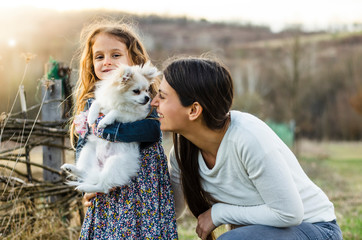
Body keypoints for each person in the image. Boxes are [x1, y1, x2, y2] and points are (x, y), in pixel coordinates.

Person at [149, 56, 343, 240]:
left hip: (317, 229)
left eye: (163, 97)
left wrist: (219, 213)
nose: (154, 102)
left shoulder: (247, 138)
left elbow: (289, 214)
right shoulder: (182, 153)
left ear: (193, 110)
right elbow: (170, 210)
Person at [70, 20, 178, 239]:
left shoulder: (145, 97)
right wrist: (87, 181)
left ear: (133, 61)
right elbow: (84, 144)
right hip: (107, 190)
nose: (107, 62)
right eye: (99, 57)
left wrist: (109, 131)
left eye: (115, 55)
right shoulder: (92, 102)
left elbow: (151, 131)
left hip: (142, 187)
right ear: (91, 63)